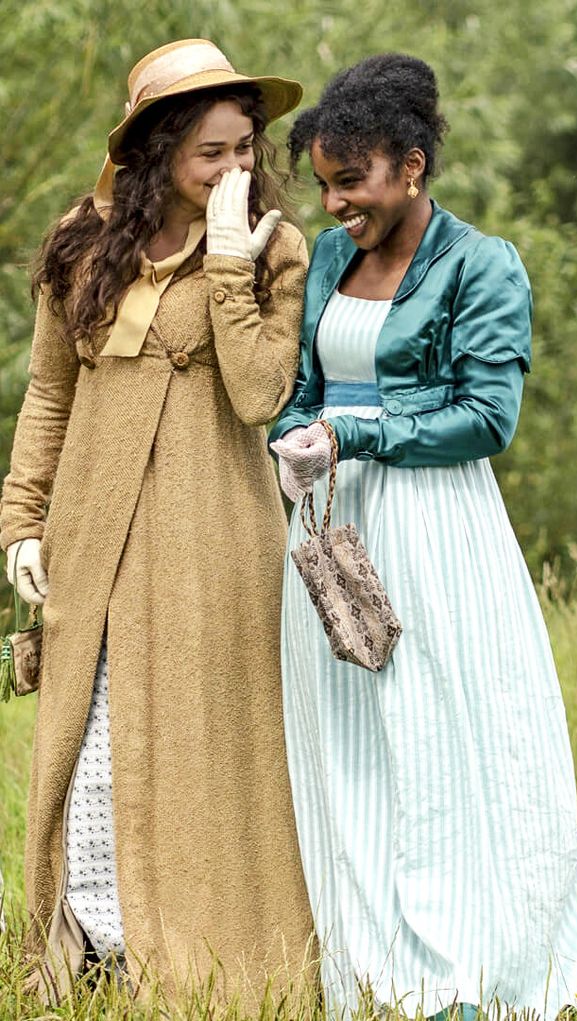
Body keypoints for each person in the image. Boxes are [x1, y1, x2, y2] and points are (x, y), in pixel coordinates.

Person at [269, 54, 577, 1021]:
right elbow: (306, 386)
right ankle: (376, 972)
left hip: (436, 526)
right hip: (331, 527)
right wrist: (292, 433)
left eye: (350, 180)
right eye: (322, 183)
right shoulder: (329, 260)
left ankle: (465, 966)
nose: (332, 204)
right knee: (349, 743)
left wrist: (358, 433)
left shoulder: (480, 262)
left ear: (410, 166)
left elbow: (487, 414)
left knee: (440, 736)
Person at [0, 39, 313, 1006]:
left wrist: (227, 262)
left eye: (245, 149)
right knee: (91, 745)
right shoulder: (78, 243)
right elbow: (49, 394)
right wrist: (20, 519)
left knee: (203, 748)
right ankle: (96, 947)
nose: (234, 170)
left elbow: (263, 394)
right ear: (157, 149)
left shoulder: (273, 247)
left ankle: (209, 961)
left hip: (212, 539)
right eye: (210, 153)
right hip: (94, 534)